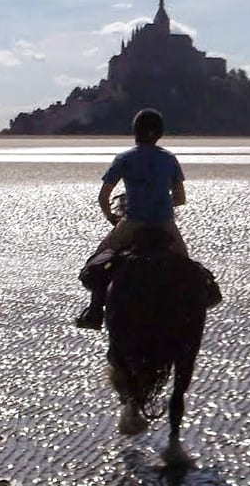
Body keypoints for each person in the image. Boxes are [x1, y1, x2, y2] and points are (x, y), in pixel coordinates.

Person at [74, 108, 187, 329]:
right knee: (190, 269)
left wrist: (112, 217)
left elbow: (103, 197)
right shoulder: (169, 159)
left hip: (132, 222)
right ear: (160, 134)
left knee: (96, 263)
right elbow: (181, 198)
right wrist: (161, 201)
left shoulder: (124, 159)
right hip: (165, 224)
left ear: (135, 131)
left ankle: (95, 312)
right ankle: (189, 313)